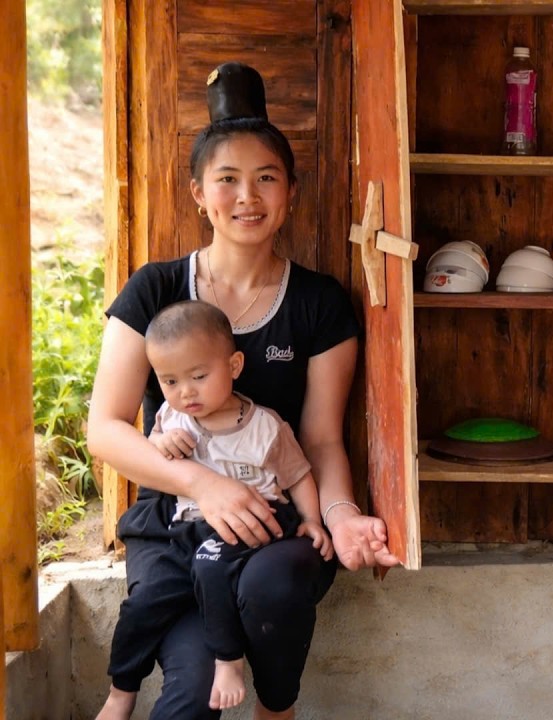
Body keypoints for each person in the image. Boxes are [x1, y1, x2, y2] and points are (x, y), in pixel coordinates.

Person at [88, 62, 398, 720]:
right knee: (191, 701)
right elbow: (106, 428)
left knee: (276, 580)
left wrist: (339, 518)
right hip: (176, 529)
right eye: (226, 179)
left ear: (291, 191)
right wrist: (204, 485)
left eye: (266, 178)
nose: (247, 197)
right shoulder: (154, 290)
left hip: (277, 525)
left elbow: (319, 439)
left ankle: (275, 711)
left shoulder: (319, 305)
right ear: (198, 192)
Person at [100, 301, 335, 717]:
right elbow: (150, 457)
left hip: (254, 523)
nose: (185, 391)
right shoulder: (172, 419)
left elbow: (298, 475)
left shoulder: (264, 426)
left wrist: (313, 520)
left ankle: (228, 663)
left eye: (199, 376)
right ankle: (121, 691)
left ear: (235, 365)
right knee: (144, 600)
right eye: (169, 380)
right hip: (188, 528)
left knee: (210, 565)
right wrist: (159, 446)